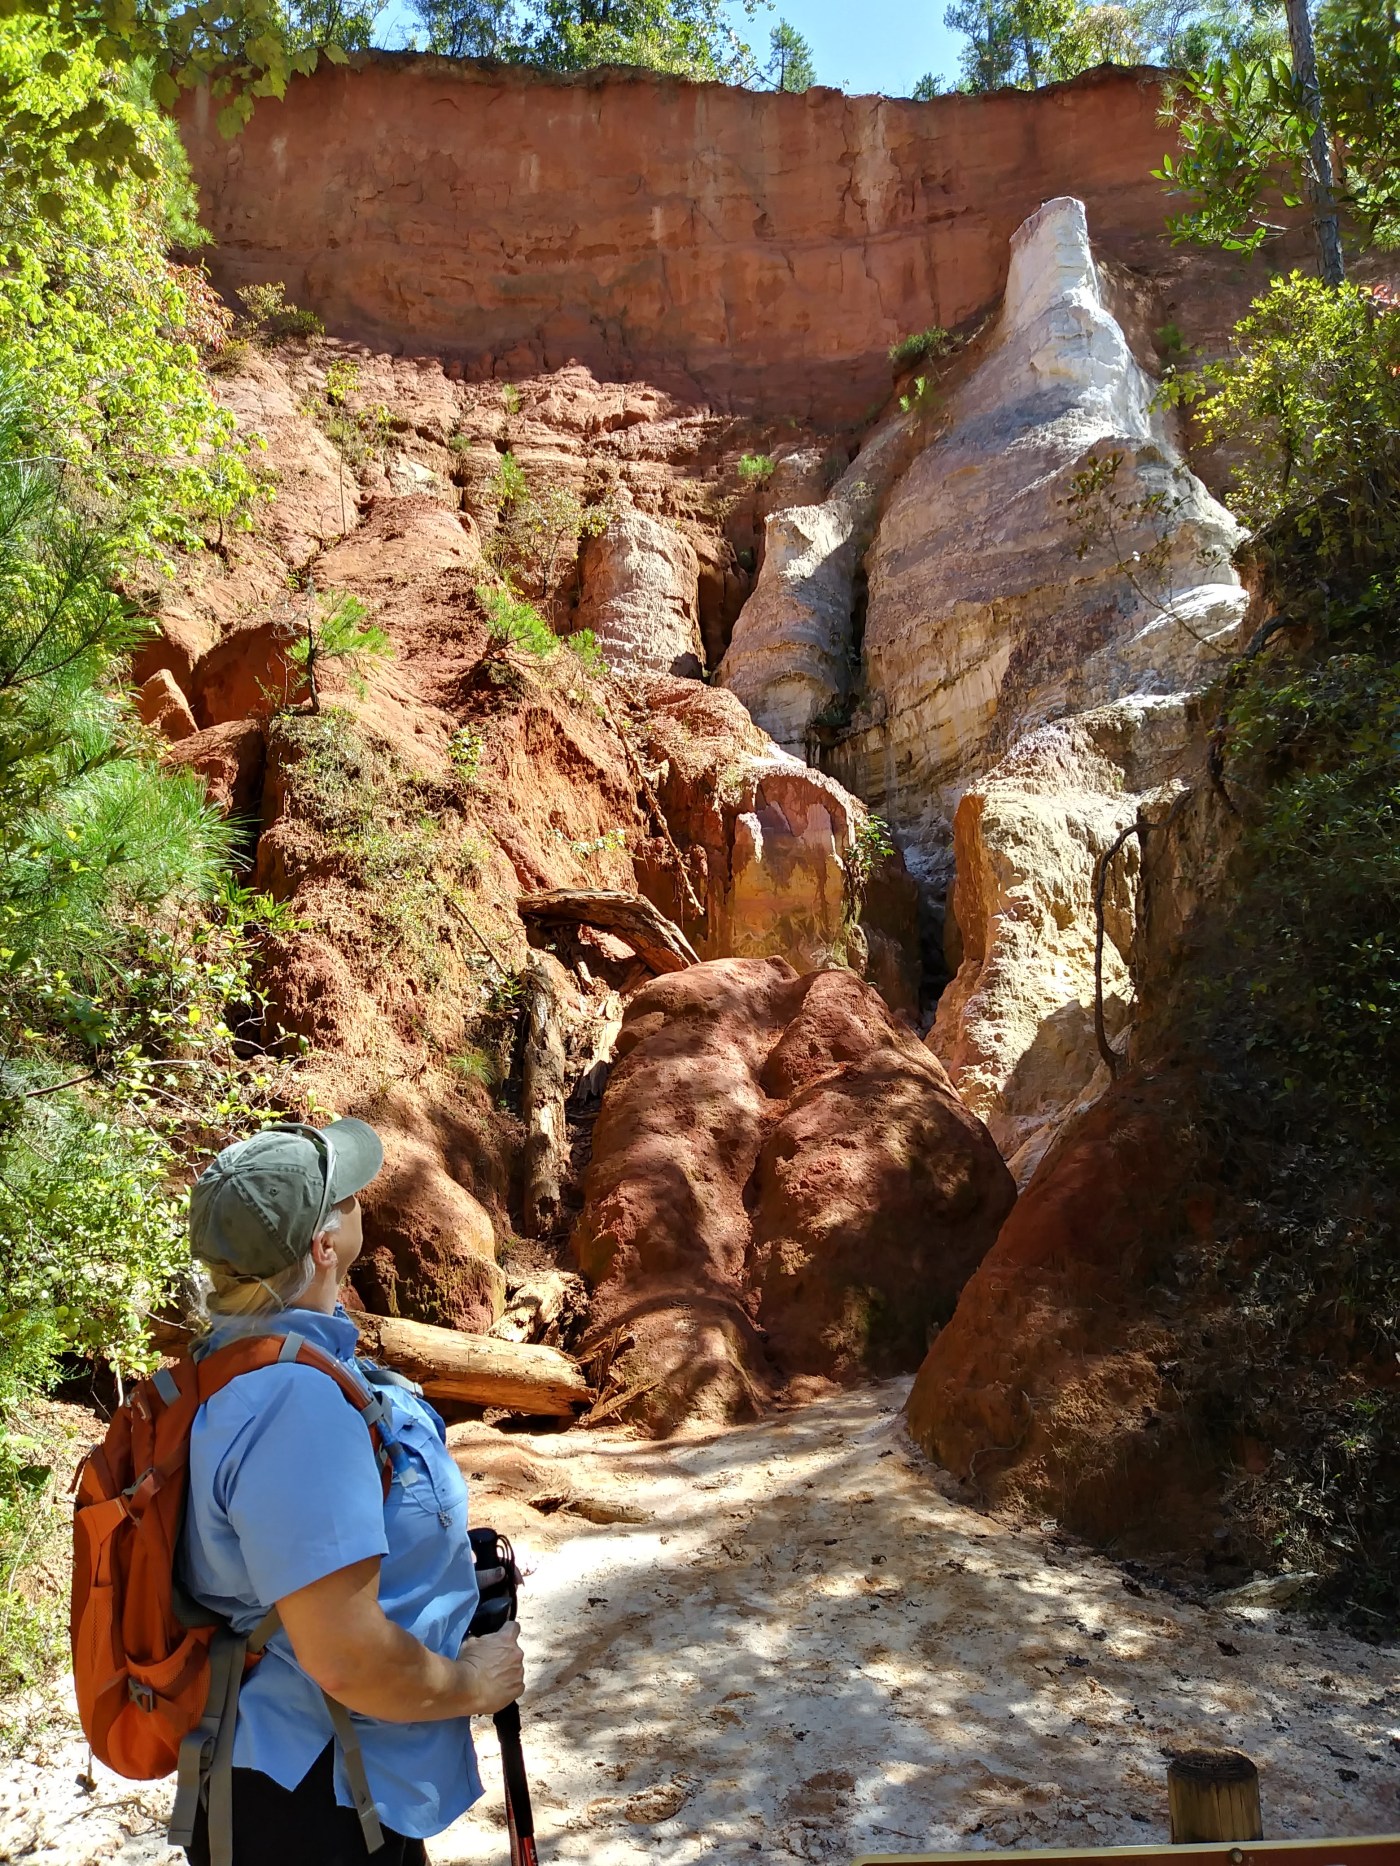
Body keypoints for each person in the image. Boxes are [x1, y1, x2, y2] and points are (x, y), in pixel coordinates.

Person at [178, 1117, 525, 1866]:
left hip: (322, 1781)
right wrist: (473, 1684)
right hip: (309, 1802)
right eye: (344, 1195)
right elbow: (347, 1659)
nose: (359, 1196)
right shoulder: (293, 1405)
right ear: (322, 1248)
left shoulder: (249, 1362)